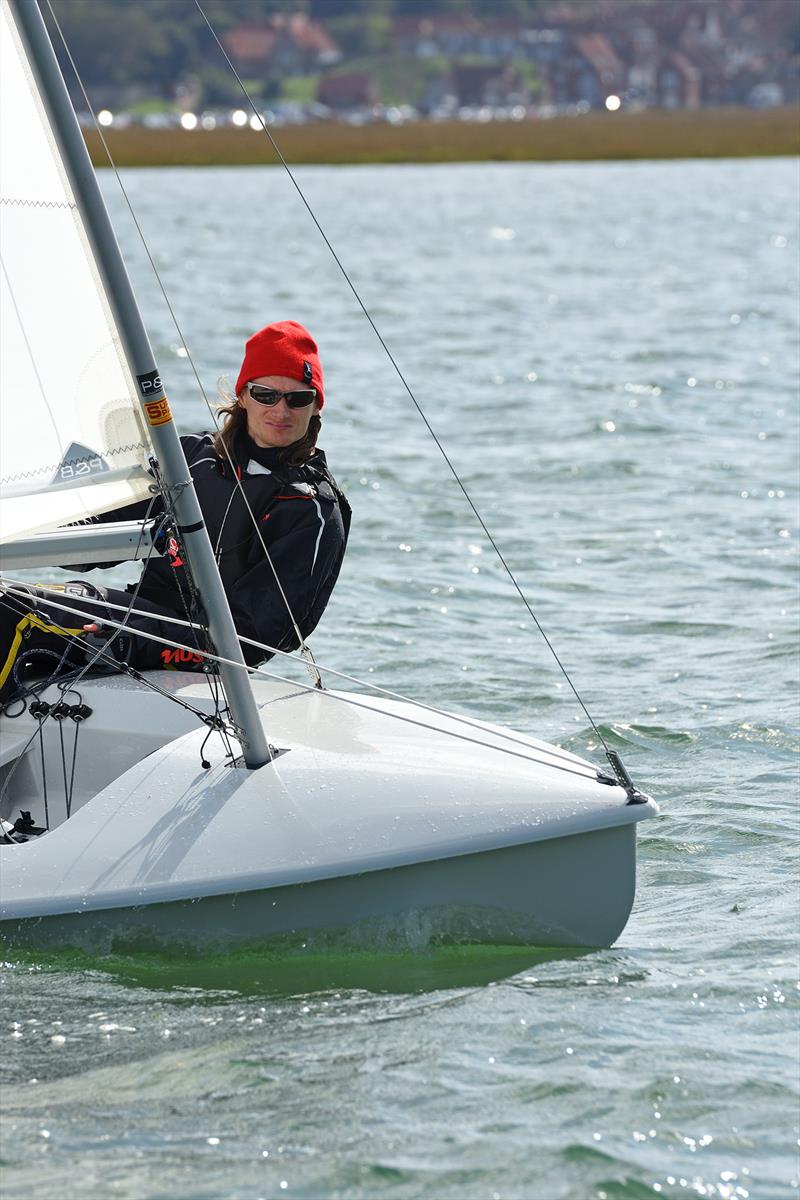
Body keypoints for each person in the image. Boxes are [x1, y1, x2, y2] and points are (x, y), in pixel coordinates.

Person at [0, 320, 350, 703]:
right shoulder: (191, 458)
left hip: (204, 650)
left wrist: (143, 643)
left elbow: (259, 639)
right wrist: (25, 527)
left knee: (17, 613)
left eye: (297, 399)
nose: (281, 410)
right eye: (266, 394)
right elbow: (100, 532)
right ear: (243, 397)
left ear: (316, 406)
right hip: (141, 616)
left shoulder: (311, 508)